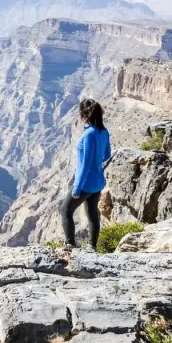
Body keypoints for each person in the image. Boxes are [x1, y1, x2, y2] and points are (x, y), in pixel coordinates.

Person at [61, 98, 111, 250]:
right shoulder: (104, 131)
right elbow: (107, 155)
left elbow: (85, 164)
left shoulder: (89, 134)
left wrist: (77, 189)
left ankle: (70, 244)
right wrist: (97, 162)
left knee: (65, 210)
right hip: (98, 182)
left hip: (86, 183)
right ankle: (92, 246)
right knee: (92, 214)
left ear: (84, 114)